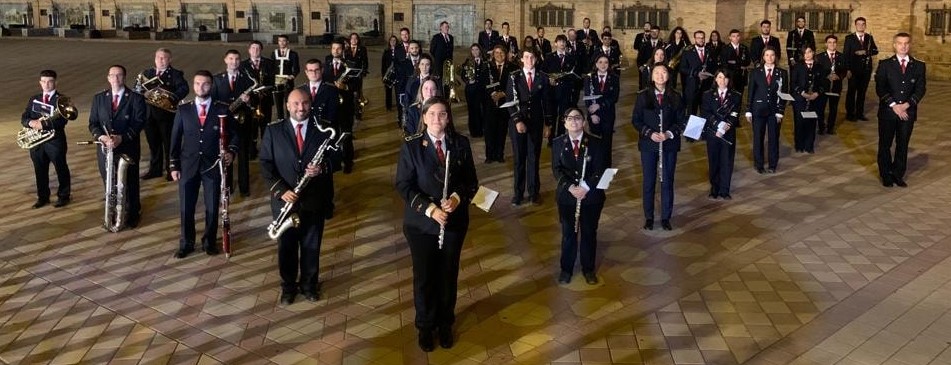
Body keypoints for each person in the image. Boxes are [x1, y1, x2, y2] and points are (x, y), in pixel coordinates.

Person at [395, 97, 478, 352]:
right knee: (424, 277)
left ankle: (445, 323)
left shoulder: (460, 143)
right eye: (432, 114)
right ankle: (425, 325)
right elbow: (404, 186)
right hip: (421, 225)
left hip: (453, 223)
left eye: (442, 114)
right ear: (424, 117)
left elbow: (471, 182)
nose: (437, 120)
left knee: (448, 274)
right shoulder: (411, 147)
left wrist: (456, 198)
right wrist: (430, 209)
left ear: (448, 117)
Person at [260, 89, 339, 304]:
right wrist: (280, 190)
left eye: (304, 103)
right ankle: (288, 287)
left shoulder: (322, 129)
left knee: (311, 246)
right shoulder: (273, 130)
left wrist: (323, 168)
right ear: (287, 106)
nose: (300, 108)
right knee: (286, 248)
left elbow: (337, 159)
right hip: (285, 201)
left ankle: (309, 285)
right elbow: (266, 165)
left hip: (313, 200)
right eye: (295, 104)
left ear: (310, 104)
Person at [170, 70, 238, 258]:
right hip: (188, 165)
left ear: (211, 86)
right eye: (198, 84)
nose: (201, 87)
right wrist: (173, 165)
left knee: (212, 206)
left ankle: (209, 241)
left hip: (213, 165)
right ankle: (186, 243)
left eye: (206, 84)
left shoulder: (222, 109)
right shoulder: (183, 110)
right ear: (193, 85)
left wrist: (231, 152)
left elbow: (235, 134)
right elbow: (175, 139)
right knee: (186, 207)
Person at [88, 65, 147, 228]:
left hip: (127, 147)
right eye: (112, 75)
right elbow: (93, 123)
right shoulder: (99, 98)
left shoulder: (136, 98)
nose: (116, 78)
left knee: (131, 181)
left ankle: (133, 212)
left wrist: (122, 137)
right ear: (108, 78)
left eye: (119, 75)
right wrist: (101, 137)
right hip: (105, 148)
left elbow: (139, 123)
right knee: (109, 181)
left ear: (124, 77)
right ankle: (113, 212)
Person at [553, 108, 607, 285]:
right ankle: (566, 269)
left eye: (578, 118)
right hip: (568, 198)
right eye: (570, 118)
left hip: (591, 197)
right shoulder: (558, 143)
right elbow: (557, 169)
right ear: (565, 123)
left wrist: (584, 187)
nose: (574, 121)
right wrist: (570, 187)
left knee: (589, 233)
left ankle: (588, 269)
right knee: (569, 233)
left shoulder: (596, 143)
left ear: (583, 122)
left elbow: (601, 170)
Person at [632, 65, 685, 231]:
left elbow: (681, 121)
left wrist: (669, 133)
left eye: (663, 72)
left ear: (668, 76)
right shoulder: (642, 96)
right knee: (649, 181)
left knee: (667, 181)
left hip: (669, 145)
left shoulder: (676, 96)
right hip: (649, 145)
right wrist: (649, 133)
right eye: (657, 73)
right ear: (651, 76)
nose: (660, 76)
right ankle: (649, 217)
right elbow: (636, 120)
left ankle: (665, 217)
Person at [876, 32, 926, 188]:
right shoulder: (885, 64)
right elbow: (880, 87)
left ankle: (898, 174)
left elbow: (920, 89)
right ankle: (886, 175)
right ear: (894, 45)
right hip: (888, 112)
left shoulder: (918, 65)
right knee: (885, 144)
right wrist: (894, 105)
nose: (903, 46)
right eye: (900, 43)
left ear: (909, 45)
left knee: (902, 144)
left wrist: (906, 105)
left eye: (906, 43)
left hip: (907, 112)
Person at [506, 49, 552, 206]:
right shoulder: (514, 77)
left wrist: (548, 124)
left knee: (533, 158)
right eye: (526, 57)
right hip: (518, 123)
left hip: (536, 124)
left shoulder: (542, 77)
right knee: (519, 159)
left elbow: (547, 102)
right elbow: (510, 102)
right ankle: (518, 193)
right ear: (521, 59)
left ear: (536, 59)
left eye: (532, 57)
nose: (529, 60)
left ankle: (533, 192)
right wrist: (518, 121)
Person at [22, 69, 72, 208]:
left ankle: (64, 196)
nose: (46, 84)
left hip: (54, 141)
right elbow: (25, 116)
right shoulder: (34, 99)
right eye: (43, 81)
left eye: (50, 82)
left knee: (60, 168)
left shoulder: (61, 100)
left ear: (55, 82)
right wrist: (31, 123)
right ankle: (43, 197)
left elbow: (63, 121)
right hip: (37, 142)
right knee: (39, 170)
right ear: (40, 83)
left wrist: (43, 124)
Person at [141, 48, 188, 181]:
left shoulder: (175, 74)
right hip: (149, 115)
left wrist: (170, 98)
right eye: (158, 58)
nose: (160, 60)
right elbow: (137, 88)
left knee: (169, 144)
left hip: (166, 116)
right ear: (154, 58)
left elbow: (184, 89)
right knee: (153, 144)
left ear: (169, 59)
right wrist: (142, 93)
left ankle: (171, 170)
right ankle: (155, 170)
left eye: (164, 58)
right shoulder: (147, 73)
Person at [211, 49, 253, 197]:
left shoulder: (247, 79)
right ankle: (227, 185)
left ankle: (244, 187)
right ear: (225, 60)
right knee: (225, 155)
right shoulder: (216, 79)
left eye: (236, 59)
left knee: (243, 155)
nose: (234, 62)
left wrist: (249, 101)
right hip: (225, 123)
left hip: (242, 122)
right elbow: (213, 101)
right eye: (231, 59)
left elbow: (256, 101)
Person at [745, 47, 789, 174]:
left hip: (774, 111)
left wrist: (780, 111)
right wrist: (748, 110)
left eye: (772, 55)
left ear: (775, 57)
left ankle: (772, 164)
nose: (770, 58)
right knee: (758, 138)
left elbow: (784, 93)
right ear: (763, 57)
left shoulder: (782, 73)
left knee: (774, 138)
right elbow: (751, 91)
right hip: (758, 110)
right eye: (767, 55)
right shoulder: (755, 72)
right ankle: (759, 164)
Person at [701, 70, 740, 200]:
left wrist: (725, 127)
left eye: (725, 77)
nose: (722, 80)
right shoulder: (707, 95)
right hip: (713, 133)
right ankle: (714, 189)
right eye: (720, 77)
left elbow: (734, 114)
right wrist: (718, 126)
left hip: (728, 134)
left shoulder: (735, 95)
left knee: (727, 162)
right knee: (714, 161)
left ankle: (725, 190)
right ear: (716, 79)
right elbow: (706, 113)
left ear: (729, 80)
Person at [324, 38, 356, 173]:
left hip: (346, 106)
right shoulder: (325, 63)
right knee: (333, 134)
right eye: (333, 48)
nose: (335, 51)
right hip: (331, 106)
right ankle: (336, 160)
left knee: (346, 134)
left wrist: (346, 86)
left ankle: (348, 161)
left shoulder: (350, 64)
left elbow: (356, 84)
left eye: (338, 49)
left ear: (343, 50)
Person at [584, 55, 619, 167]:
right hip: (594, 116)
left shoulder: (614, 78)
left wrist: (599, 105)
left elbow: (614, 97)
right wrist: (592, 114)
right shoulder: (589, 78)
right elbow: (587, 97)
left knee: (607, 142)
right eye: (600, 62)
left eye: (606, 62)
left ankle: (606, 168)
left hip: (608, 114)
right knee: (594, 142)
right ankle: (596, 168)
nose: (603, 65)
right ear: (596, 64)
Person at [483, 44, 516, 163]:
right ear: (493, 55)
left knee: (501, 130)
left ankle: (499, 154)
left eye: (501, 52)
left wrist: (503, 94)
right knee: (489, 131)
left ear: (506, 54)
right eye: (496, 53)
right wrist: (492, 94)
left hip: (504, 104)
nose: (499, 55)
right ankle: (489, 155)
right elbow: (483, 83)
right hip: (490, 104)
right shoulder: (487, 67)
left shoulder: (512, 67)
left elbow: (514, 85)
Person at [791, 45, 827, 154]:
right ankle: (799, 145)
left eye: (809, 52)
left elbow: (823, 84)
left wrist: (816, 93)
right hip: (800, 100)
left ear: (813, 53)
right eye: (805, 53)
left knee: (811, 123)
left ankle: (809, 146)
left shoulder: (819, 67)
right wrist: (803, 93)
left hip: (814, 99)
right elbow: (793, 83)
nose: (807, 55)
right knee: (799, 123)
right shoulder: (797, 66)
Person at [241, 40, 276, 147]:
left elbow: (272, 82)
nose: (255, 51)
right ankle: (252, 149)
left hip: (265, 100)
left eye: (257, 48)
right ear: (249, 50)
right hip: (250, 101)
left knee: (265, 126)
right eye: (253, 48)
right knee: (252, 126)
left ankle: (266, 148)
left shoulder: (269, 63)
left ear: (261, 50)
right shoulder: (243, 65)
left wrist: (264, 90)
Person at [844, 17, 879, 122]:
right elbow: (846, 55)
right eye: (859, 24)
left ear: (865, 25)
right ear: (855, 25)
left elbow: (875, 50)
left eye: (863, 24)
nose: (861, 26)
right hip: (853, 70)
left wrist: (865, 52)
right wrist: (848, 69)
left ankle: (859, 113)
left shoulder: (869, 37)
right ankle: (850, 114)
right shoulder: (849, 38)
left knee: (862, 92)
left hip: (866, 70)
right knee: (851, 92)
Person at [544, 35, 578, 141]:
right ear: (555, 43)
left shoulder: (571, 58)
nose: (562, 43)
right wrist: (549, 79)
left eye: (564, 41)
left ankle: (560, 137)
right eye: (559, 41)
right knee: (552, 114)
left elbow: (574, 74)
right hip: (552, 91)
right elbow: (543, 72)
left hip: (565, 91)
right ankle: (551, 138)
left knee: (563, 115)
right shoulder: (549, 57)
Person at [816, 35, 847, 134]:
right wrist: (826, 76)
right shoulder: (819, 57)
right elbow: (817, 72)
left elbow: (844, 71)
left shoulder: (842, 56)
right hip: (823, 87)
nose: (832, 44)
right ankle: (821, 127)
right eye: (829, 42)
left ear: (836, 44)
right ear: (826, 44)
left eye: (834, 42)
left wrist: (838, 76)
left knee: (833, 108)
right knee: (821, 108)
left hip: (836, 87)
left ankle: (830, 127)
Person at [680, 30, 717, 115]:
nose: (701, 40)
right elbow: (682, 68)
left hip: (707, 86)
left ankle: (706, 127)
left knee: (706, 110)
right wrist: (696, 73)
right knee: (691, 111)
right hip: (692, 86)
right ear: (695, 39)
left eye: (702, 38)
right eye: (698, 38)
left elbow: (715, 67)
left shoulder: (710, 51)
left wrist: (709, 74)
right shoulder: (687, 52)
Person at [297, 59, 339, 126]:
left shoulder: (331, 90)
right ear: (306, 72)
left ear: (322, 70)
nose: (314, 73)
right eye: (310, 70)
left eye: (316, 70)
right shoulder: (300, 90)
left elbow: (333, 114)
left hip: (325, 128)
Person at [272, 34, 301, 121]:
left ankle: (290, 120)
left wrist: (292, 75)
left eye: (283, 41)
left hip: (288, 82)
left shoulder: (293, 54)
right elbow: (272, 67)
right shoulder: (274, 53)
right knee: (278, 103)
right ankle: (280, 120)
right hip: (277, 82)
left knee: (289, 102)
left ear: (287, 42)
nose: (281, 43)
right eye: (280, 41)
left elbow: (296, 68)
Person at [460, 44, 486, 138]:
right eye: (473, 50)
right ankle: (474, 131)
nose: (475, 51)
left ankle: (482, 130)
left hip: (482, 90)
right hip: (471, 90)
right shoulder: (467, 62)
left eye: (477, 49)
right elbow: (463, 74)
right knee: (472, 110)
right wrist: (468, 81)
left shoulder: (485, 62)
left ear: (480, 50)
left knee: (482, 110)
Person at [720, 29, 751, 96]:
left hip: (741, 76)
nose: (736, 38)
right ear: (730, 37)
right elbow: (724, 63)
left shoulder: (744, 48)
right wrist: (739, 65)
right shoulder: (725, 48)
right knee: (730, 95)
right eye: (733, 36)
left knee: (740, 95)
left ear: (740, 37)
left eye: (737, 36)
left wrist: (734, 62)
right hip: (730, 76)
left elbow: (748, 61)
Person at [345, 33, 369, 120]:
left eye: (356, 38)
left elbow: (365, 61)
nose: (354, 40)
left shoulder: (362, 49)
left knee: (357, 94)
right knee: (349, 94)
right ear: (350, 40)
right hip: (348, 76)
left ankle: (358, 112)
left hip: (358, 76)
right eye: (352, 38)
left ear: (358, 40)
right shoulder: (346, 49)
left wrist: (364, 71)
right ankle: (350, 111)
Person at [382, 35, 399, 113]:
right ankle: (388, 106)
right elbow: (383, 64)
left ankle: (399, 104)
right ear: (389, 42)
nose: (393, 42)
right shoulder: (386, 51)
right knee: (388, 91)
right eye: (391, 40)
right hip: (388, 74)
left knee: (397, 90)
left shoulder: (399, 51)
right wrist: (383, 75)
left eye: (394, 40)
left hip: (397, 74)